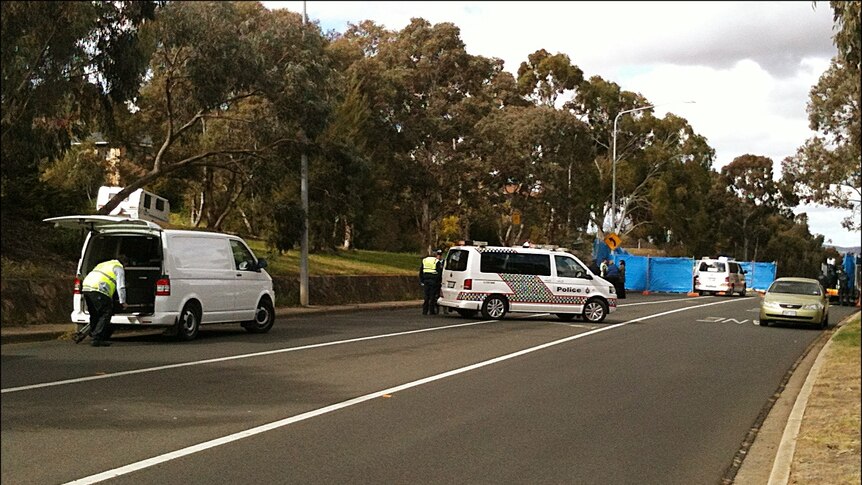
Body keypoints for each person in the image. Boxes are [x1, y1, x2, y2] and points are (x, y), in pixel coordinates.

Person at [81, 254, 128, 346]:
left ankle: (94, 334)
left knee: (94, 313)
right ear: (125, 264)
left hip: (86, 288)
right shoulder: (118, 268)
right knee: (105, 313)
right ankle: (97, 338)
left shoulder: (103, 264)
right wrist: (123, 302)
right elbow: (121, 286)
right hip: (99, 289)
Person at [419, 249, 443, 315]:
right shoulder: (436, 261)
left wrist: (421, 280)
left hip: (426, 280)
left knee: (426, 296)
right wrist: (438, 281)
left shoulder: (425, 260)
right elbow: (440, 273)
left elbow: (421, 271)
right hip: (434, 281)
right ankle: (431, 311)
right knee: (432, 296)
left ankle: (424, 311)